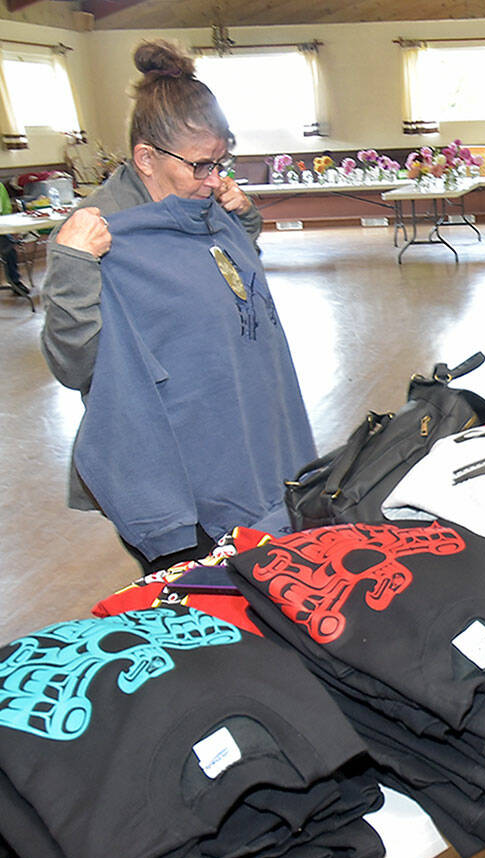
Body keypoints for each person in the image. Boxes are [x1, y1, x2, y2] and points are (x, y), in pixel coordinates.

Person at [39, 39, 312, 574]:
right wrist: (73, 267)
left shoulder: (204, 206)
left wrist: (242, 224)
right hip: (170, 474)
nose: (216, 180)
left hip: (241, 444)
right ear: (146, 157)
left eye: (221, 163)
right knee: (200, 604)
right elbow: (74, 366)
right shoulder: (95, 235)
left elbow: (230, 295)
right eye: (202, 166)